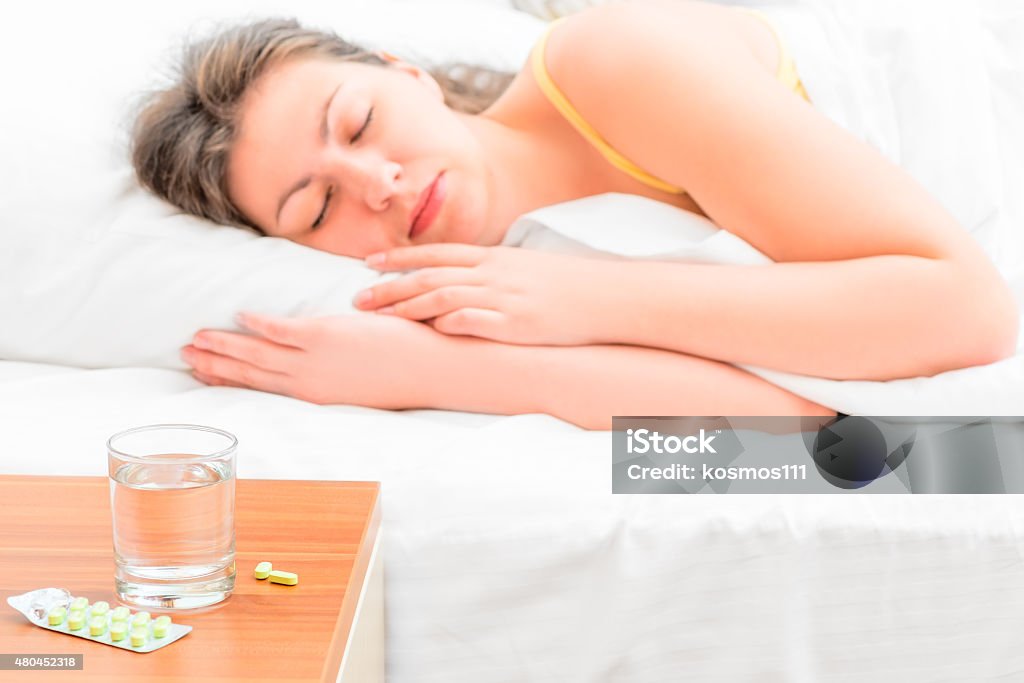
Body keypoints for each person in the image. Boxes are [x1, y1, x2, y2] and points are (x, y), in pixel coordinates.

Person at [131, 0, 1018, 429]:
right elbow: (802, 423)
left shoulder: (612, 59)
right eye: (318, 208)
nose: (381, 184)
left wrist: (590, 302)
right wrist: (431, 367)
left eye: (360, 124)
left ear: (408, 74)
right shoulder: (504, 272)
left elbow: (966, 313)